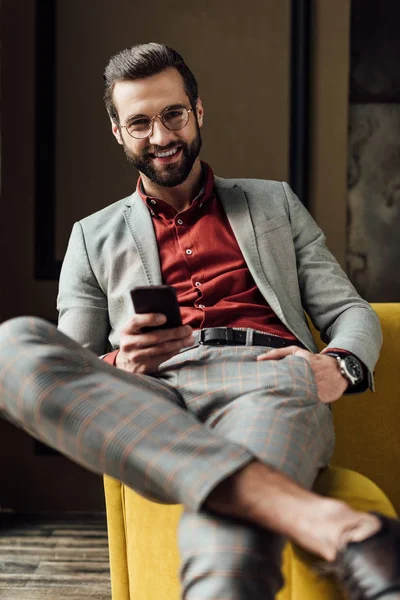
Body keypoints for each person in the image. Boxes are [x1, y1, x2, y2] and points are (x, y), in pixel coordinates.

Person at [0, 43, 399, 600]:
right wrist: (125, 360)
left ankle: (309, 519)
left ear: (198, 113)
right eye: (140, 122)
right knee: (11, 348)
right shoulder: (91, 236)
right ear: (118, 132)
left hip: (266, 380)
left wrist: (339, 367)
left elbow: (349, 310)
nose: (161, 136)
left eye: (173, 115)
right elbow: (72, 359)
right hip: (151, 393)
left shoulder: (274, 205)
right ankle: (328, 523)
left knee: (227, 547)